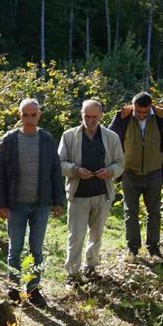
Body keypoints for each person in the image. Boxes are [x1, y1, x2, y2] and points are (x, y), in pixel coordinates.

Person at [0, 99, 64, 309]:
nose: (29, 119)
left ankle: (33, 290)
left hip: (41, 204)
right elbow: (1, 173)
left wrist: (58, 201)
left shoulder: (46, 139)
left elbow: (55, 170)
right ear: (19, 115)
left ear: (39, 115)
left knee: (36, 249)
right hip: (15, 204)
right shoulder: (9, 139)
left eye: (33, 115)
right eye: (25, 115)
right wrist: (1, 203)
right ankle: (13, 287)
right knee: (15, 248)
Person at [58, 100, 124, 287]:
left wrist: (110, 171)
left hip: (103, 194)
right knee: (76, 236)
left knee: (96, 235)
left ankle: (91, 268)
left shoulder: (111, 137)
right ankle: (72, 273)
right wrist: (76, 170)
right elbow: (60, 162)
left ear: (101, 115)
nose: (90, 120)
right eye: (87, 116)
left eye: (94, 116)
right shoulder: (69, 136)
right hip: (78, 194)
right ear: (81, 114)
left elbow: (121, 163)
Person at [109, 92, 163, 261]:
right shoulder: (124, 117)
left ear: (150, 108)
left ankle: (154, 248)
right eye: (138, 112)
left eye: (145, 112)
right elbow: (110, 136)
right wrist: (119, 118)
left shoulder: (160, 116)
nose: (141, 115)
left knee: (154, 212)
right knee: (130, 211)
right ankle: (133, 249)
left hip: (154, 172)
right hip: (129, 172)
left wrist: (162, 155)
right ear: (133, 106)